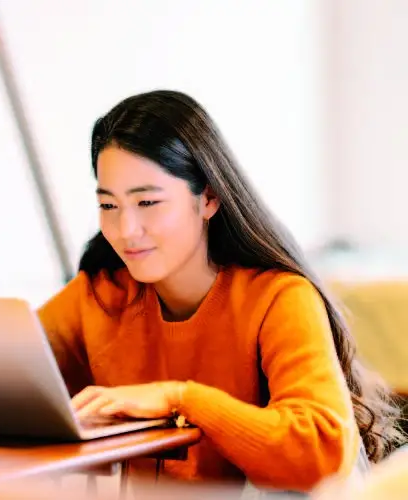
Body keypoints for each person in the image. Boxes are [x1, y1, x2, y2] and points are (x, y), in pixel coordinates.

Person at [37, 90, 404, 494]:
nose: (126, 230)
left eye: (147, 202)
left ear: (208, 197)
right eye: (109, 206)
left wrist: (181, 398)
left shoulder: (278, 297)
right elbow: (10, 372)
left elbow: (321, 453)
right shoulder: (102, 293)